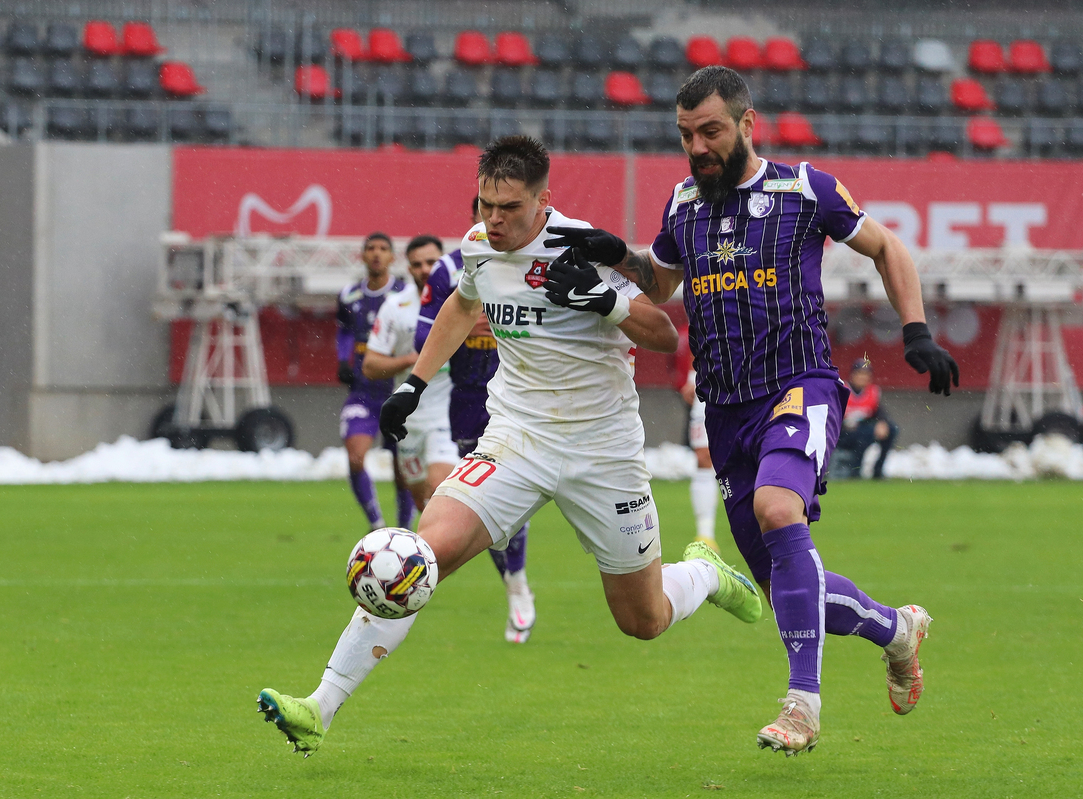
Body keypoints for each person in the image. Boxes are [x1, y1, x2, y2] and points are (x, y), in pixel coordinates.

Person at [258, 136, 762, 757]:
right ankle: (320, 706)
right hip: (515, 439)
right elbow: (461, 306)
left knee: (643, 620)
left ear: (544, 201)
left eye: (510, 208)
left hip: (603, 451)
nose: (494, 220)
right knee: (417, 559)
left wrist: (604, 298)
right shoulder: (477, 246)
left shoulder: (583, 246)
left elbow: (663, 333)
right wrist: (414, 385)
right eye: (486, 204)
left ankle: (705, 576)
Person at [545, 66, 960, 756]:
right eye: (685, 135)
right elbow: (666, 281)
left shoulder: (803, 189)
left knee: (777, 509)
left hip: (800, 385)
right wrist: (614, 257)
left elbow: (886, 246)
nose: (697, 146)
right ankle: (896, 630)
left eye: (710, 130)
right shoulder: (684, 203)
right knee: (787, 588)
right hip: (726, 409)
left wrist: (915, 330)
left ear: (746, 124)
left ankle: (802, 704)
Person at [415, 196, 536, 644]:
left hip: (527, 398)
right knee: (487, 505)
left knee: (518, 495)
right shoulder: (449, 270)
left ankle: (518, 584)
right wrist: (467, 327)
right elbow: (423, 335)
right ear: (474, 219)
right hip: (470, 401)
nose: (494, 223)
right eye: (486, 214)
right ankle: (515, 582)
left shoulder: (535, 262)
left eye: (503, 214)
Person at [363, 235, 458, 509]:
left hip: (447, 414)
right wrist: (414, 360)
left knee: (440, 489)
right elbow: (370, 365)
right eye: (417, 264)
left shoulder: (461, 302)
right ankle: (430, 550)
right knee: (422, 500)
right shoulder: (395, 306)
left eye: (432, 262)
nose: (425, 269)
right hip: (409, 418)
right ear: (408, 268)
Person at [335, 232, 416, 530]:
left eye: (383, 249)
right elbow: (344, 330)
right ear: (362, 255)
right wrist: (343, 359)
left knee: (402, 471)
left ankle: (404, 529)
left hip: (399, 393)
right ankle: (376, 524)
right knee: (356, 457)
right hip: (363, 393)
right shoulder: (350, 295)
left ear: (393, 257)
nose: (377, 254)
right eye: (371, 248)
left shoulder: (405, 295)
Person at [675, 328, 719, 551]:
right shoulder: (705, 297)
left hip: (748, 384)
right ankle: (705, 534)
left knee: (748, 457)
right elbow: (699, 338)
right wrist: (694, 377)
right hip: (708, 386)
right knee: (703, 457)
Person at [836, 358, 898, 480]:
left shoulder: (872, 391)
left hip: (863, 430)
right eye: (859, 374)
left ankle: (878, 471)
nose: (862, 377)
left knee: (892, 429)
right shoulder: (842, 389)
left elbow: (879, 411)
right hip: (843, 432)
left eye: (866, 375)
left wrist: (883, 423)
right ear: (852, 375)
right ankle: (855, 472)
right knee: (866, 433)